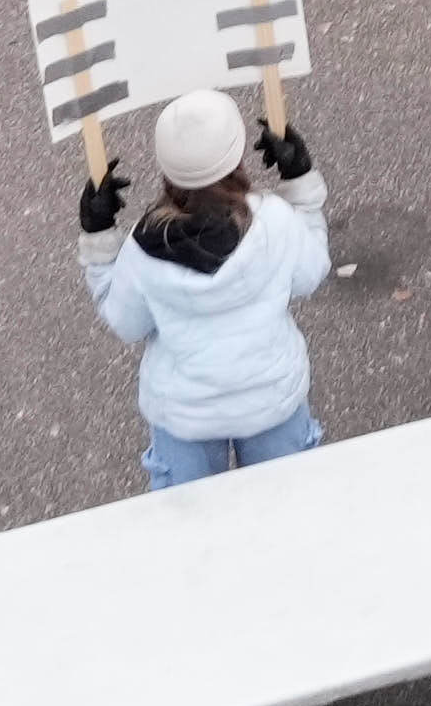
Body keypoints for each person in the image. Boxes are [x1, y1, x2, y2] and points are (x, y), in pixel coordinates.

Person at [80, 85, 336, 502]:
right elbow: (310, 274)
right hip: (271, 399)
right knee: (289, 515)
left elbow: (126, 323)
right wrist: (299, 181)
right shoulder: (274, 221)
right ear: (237, 156)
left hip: (185, 415)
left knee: (190, 530)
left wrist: (99, 235)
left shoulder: (143, 246)